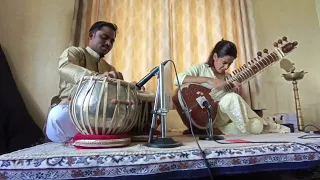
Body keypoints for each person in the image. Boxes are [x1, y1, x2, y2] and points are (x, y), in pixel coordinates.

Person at [46, 21, 142, 142]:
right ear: (91, 35)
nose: (108, 43)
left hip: (99, 118)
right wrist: (97, 78)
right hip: (71, 112)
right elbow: (65, 67)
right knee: (57, 116)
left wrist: (131, 88)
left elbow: (115, 96)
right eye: (104, 37)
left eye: (112, 41)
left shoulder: (109, 68)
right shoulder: (75, 53)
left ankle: (94, 136)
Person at [174, 39, 290, 136]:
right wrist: (209, 80)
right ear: (215, 56)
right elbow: (178, 79)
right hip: (207, 116)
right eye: (224, 62)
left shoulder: (229, 77)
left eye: (229, 64)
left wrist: (238, 93)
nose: (226, 67)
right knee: (233, 100)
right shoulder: (201, 69)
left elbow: (234, 108)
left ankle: (217, 132)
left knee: (257, 125)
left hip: (223, 122)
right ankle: (269, 125)